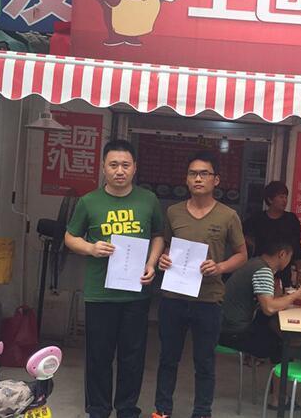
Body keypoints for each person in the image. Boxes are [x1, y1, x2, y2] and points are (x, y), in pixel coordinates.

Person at [65, 139, 165, 418]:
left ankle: (127, 409)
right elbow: (70, 237)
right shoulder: (89, 201)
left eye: (125, 165)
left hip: (136, 294)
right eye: (113, 165)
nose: (119, 171)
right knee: (99, 356)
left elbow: (158, 235)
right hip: (100, 294)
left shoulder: (148, 200)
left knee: (132, 357)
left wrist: (151, 263)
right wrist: (91, 248)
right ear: (103, 168)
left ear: (134, 168)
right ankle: (98, 410)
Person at [153, 151, 248, 418]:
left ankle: (202, 411)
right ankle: (162, 410)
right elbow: (166, 245)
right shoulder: (173, 212)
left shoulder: (228, 215)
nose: (198, 179)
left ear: (216, 180)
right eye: (193, 174)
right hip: (173, 297)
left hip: (208, 300)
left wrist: (220, 267)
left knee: (204, 361)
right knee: (168, 358)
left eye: (204, 174)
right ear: (186, 179)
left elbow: (242, 255)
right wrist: (163, 259)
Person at [220, 236, 301, 409]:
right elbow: (269, 307)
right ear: (282, 254)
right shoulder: (263, 271)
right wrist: (295, 295)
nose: (289, 262)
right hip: (232, 331)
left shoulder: (254, 263)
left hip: (226, 324)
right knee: (282, 346)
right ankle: (278, 399)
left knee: (276, 329)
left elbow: (268, 303)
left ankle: (294, 346)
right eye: (289, 257)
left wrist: (280, 295)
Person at [243, 181, 301, 288]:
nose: (284, 200)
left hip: (284, 269)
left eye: (286, 197)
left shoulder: (291, 219)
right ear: (270, 199)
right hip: (261, 268)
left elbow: (297, 246)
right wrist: (250, 245)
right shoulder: (258, 218)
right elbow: (240, 233)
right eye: (281, 197)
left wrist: (299, 271)